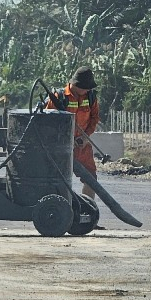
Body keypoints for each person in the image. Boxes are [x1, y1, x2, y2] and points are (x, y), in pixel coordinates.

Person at [45, 66, 100, 203]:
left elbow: (94, 119)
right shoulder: (59, 97)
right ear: (76, 85)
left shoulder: (91, 97)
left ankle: (88, 211)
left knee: (91, 179)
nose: (87, 90)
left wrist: (85, 137)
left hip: (82, 146)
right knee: (59, 180)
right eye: (85, 88)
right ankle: (61, 213)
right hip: (60, 149)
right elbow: (46, 122)